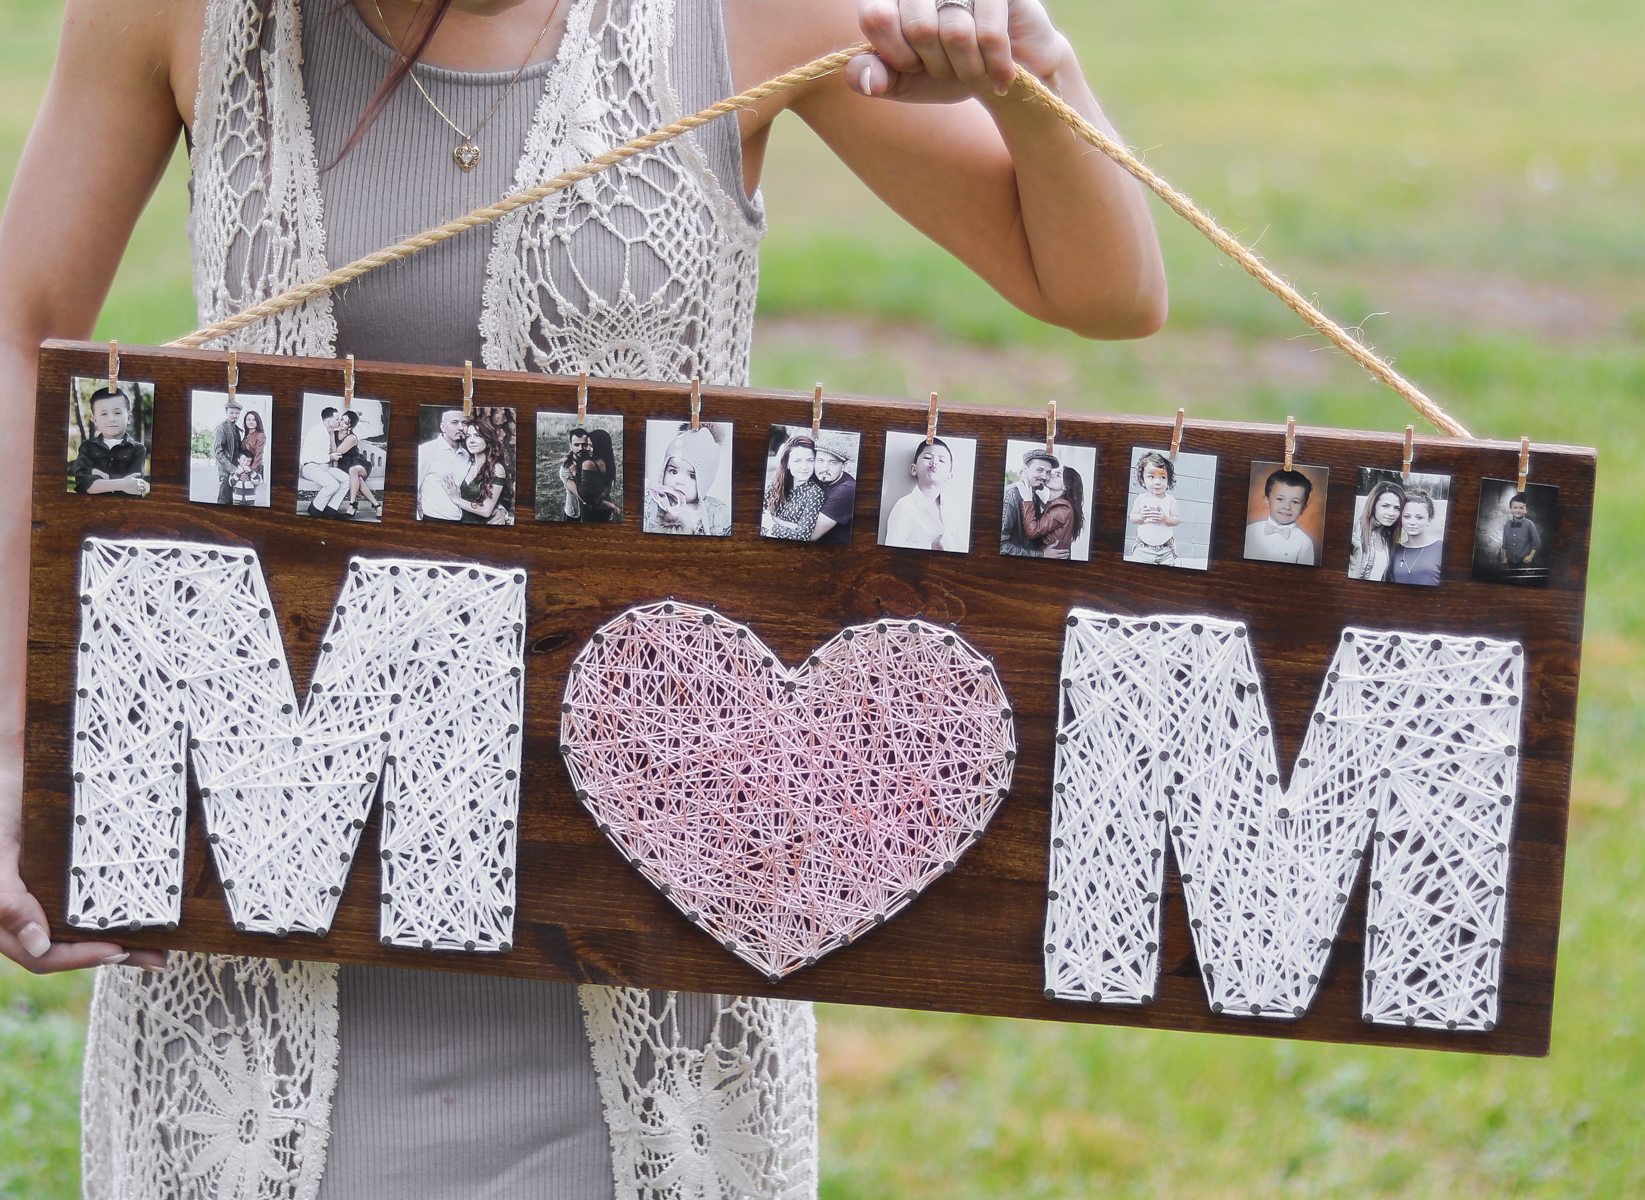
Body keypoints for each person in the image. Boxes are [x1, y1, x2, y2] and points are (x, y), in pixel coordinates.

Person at [0, 0, 1166, 1195]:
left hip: (640, 933)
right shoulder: (170, 14)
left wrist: (1033, 76)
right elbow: (20, 328)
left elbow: (1100, 286)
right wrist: (5, 751)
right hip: (279, 967)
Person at [644, 423, 730, 535]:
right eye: (673, 471)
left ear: (705, 482)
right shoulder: (653, 503)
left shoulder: (718, 512)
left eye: (692, 476)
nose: (679, 481)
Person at [885, 436, 967, 552]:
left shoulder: (955, 509)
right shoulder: (904, 507)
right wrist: (930, 546)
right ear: (914, 469)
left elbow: (962, 546)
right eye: (928, 457)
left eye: (942, 460)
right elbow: (891, 547)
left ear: (949, 476)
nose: (934, 462)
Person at [70, 386, 148, 496]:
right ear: (95, 420)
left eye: (117, 413)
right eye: (104, 414)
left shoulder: (138, 449)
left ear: (129, 417)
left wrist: (103, 478)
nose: (111, 418)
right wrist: (122, 484)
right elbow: (83, 484)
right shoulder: (87, 447)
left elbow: (134, 487)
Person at [1001, 447, 1066, 557]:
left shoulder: (1033, 497)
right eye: (1039, 470)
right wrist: (1041, 555)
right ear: (1025, 469)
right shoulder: (1011, 495)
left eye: (1048, 472)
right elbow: (1001, 546)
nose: (1045, 476)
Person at [1244, 466, 1316, 565]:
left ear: (1303, 508)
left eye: (1295, 502)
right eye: (1280, 499)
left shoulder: (1305, 542)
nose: (1287, 507)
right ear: (1267, 501)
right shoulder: (1249, 531)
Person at [446, 421, 512, 523]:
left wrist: (456, 499)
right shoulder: (466, 463)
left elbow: (486, 510)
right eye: (468, 436)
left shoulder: (496, 468)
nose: (471, 441)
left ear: (487, 438)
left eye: (477, 435)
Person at [762, 434, 825, 540]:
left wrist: (771, 522)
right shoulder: (776, 484)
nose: (804, 467)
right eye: (797, 461)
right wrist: (793, 527)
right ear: (787, 464)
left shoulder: (815, 493)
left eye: (810, 460)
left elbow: (803, 535)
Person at [1126, 450, 1180, 565]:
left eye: (1163, 477)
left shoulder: (1170, 500)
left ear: (1168, 480)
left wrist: (1165, 519)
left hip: (1166, 549)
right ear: (1143, 479)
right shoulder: (1141, 498)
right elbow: (1132, 518)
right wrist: (1141, 517)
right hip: (1143, 548)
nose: (1157, 482)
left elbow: (1176, 520)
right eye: (1151, 476)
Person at [1020, 463, 1084, 557]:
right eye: (1054, 472)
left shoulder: (1063, 508)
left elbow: (1033, 531)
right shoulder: (1055, 503)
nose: (1051, 475)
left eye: (1058, 475)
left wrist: (1027, 500)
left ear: (1066, 487)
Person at [417, 408, 470, 521]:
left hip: (464, 521)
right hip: (433, 520)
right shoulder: (426, 451)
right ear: (443, 427)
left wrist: (500, 508)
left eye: (464, 423)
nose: (461, 427)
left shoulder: (467, 455)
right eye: (454, 422)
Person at [299, 404, 352, 517]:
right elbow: (313, 456)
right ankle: (315, 509)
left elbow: (331, 452)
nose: (339, 421)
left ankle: (331, 509)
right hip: (311, 467)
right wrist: (331, 457)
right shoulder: (317, 432)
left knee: (347, 479)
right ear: (328, 420)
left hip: (324, 467)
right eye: (337, 419)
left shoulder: (327, 431)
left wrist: (332, 435)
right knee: (333, 485)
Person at [1349, 478, 1405, 582]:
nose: (1391, 513)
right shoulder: (1354, 534)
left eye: (1397, 508)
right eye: (1385, 506)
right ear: (1373, 505)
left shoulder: (1388, 537)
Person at [808, 430, 856, 543]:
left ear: (844, 466)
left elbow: (810, 536)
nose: (824, 468)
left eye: (832, 462)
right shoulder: (817, 478)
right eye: (820, 460)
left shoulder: (846, 490)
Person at [330, 408, 381, 515]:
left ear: (350, 426)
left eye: (345, 422)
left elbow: (336, 453)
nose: (341, 423)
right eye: (341, 419)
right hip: (344, 467)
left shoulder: (351, 438)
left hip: (358, 464)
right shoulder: (334, 433)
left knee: (353, 471)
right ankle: (377, 506)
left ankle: (352, 504)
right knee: (357, 479)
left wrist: (331, 436)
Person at [1390, 489, 1444, 586]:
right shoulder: (1394, 549)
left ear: (1429, 519)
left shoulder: (1441, 548)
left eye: (1419, 517)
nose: (1412, 522)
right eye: (1407, 516)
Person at [577, 426, 620, 522]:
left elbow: (588, 495)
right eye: (587, 445)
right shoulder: (599, 462)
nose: (587, 449)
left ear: (600, 446)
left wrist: (609, 505)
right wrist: (610, 505)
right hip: (598, 511)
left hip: (598, 510)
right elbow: (589, 495)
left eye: (591, 446)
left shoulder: (596, 462)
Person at [211, 395, 244, 504]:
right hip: (226, 473)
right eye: (231, 413)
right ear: (226, 413)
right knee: (223, 501)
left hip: (236, 471)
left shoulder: (236, 428)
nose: (234, 415)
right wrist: (233, 469)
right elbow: (218, 452)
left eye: (237, 413)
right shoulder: (221, 428)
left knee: (233, 502)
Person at [1500, 491, 1540, 568]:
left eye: (1521, 508)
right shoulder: (1507, 525)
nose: (1518, 510)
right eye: (1515, 507)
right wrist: (1504, 557)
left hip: (1524, 560)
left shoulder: (1529, 524)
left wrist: (1530, 557)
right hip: (1510, 560)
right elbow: (1504, 544)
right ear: (1510, 509)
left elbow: (1536, 543)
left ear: (1526, 510)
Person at [558, 425, 592, 519]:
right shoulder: (565, 467)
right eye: (576, 445)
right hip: (574, 513)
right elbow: (583, 497)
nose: (580, 448)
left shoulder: (593, 460)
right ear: (570, 445)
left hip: (592, 513)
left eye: (584, 444)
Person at [237, 407, 268, 506]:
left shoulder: (260, 435)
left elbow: (258, 456)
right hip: (243, 469)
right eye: (248, 419)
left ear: (257, 422)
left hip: (252, 471)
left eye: (254, 419)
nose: (251, 421)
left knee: (249, 499)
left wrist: (250, 473)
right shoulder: (247, 434)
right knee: (239, 497)